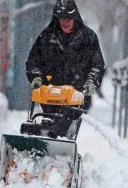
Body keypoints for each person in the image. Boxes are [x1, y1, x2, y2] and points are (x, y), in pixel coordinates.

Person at [26, 0, 105, 137]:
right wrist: (36, 77)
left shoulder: (88, 38)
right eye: (61, 18)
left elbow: (97, 65)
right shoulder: (46, 37)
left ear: (74, 18)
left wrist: (91, 82)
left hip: (77, 92)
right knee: (49, 122)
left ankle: (55, 142)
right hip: (50, 92)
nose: (64, 22)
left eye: (68, 18)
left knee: (64, 124)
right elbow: (34, 61)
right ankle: (48, 143)